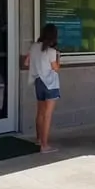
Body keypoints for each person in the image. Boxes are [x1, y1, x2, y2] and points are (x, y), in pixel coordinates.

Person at [24, 24, 61, 153]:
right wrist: (59, 59)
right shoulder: (51, 51)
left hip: (38, 81)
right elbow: (56, 68)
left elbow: (26, 62)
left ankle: (39, 139)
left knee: (40, 112)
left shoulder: (34, 47)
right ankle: (44, 145)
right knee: (47, 115)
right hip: (50, 83)